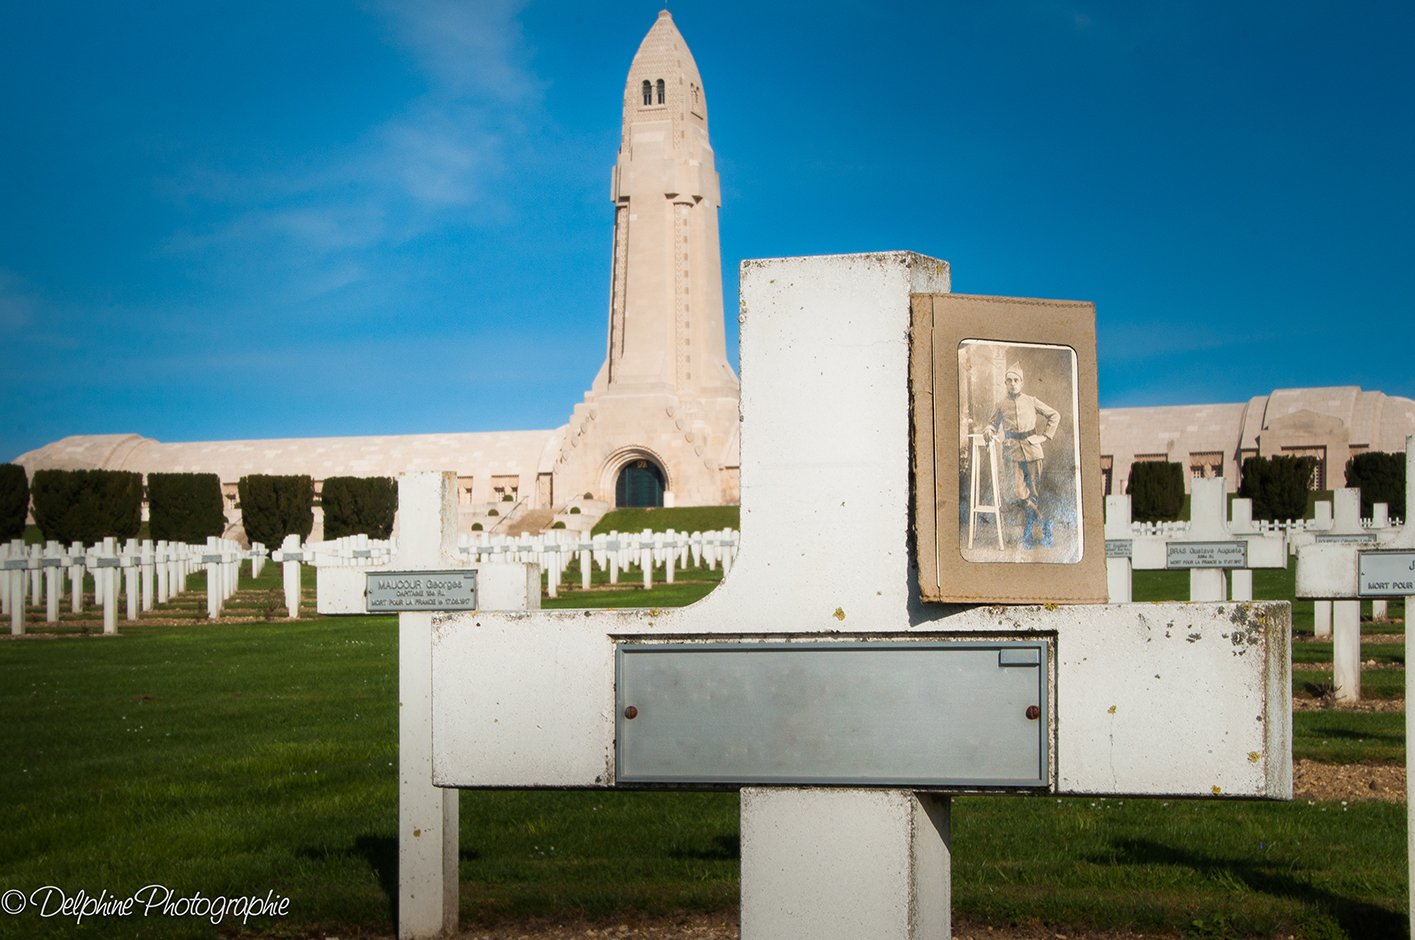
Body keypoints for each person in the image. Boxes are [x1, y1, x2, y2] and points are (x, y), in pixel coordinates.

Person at [983, 363, 1060, 548]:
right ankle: (1045, 522)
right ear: (1005, 383)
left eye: (1016, 380)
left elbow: (1054, 415)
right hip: (1012, 453)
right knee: (1019, 493)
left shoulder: (1031, 400)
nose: (1012, 384)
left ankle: (1030, 535)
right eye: (1009, 381)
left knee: (1035, 494)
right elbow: (992, 423)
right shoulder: (1000, 404)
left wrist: (1045, 436)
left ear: (1022, 383)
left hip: (1033, 451)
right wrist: (988, 429)